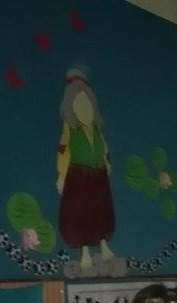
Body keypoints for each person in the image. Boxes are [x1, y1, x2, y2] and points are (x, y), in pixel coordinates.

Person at [57, 68, 116, 271]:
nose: (84, 107)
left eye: (87, 102)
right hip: (79, 175)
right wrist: (62, 174)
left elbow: (105, 150)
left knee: (102, 210)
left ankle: (104, 245)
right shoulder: (71, 129)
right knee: (81, 212)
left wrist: (107, 165)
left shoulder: (96, 130)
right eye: (78, 103)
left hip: (98, 174)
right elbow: (63, 150)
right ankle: (84, 253)